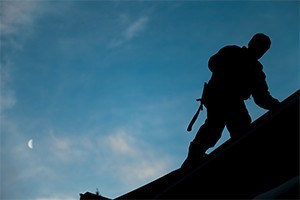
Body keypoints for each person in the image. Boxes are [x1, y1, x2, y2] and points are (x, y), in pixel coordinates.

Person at [182, 33, 280, 169]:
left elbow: (261, 97)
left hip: (232, 101)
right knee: (214, 127)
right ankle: (193, 158)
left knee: (241, 125)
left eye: (264, 49)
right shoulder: (232, 51)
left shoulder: (257, 71)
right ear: (251, 43)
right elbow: (212, 63)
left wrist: (277, 106)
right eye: (260, 45)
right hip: (218, 96)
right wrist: (229, 74)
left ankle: (239, 156)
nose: (261, 50)